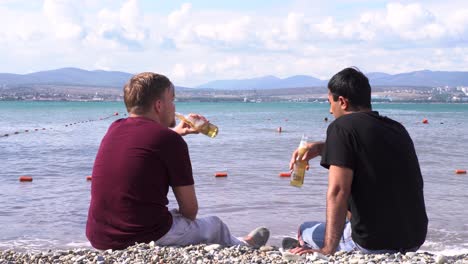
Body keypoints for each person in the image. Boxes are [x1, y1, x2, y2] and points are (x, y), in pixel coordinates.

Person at [86, 72, 269, 250]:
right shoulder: (170, 141)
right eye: (172, 101)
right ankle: (244, 246)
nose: (174, 107)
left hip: (100, 237)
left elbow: (145, 142)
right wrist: (173, 138)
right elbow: (190, 211)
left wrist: (175, 133)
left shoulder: (115, 128)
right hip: (144, 236)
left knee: (161, 214)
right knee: (215, 225)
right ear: (159, 105)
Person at [287, 67, 428, 255]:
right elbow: (367, 152)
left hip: (372, 243)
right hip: (413, 240)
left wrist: (327, 249)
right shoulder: (397, 129)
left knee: (305, 229)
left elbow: (338, 191)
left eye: (330, 103)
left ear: (343, 102)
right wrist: (321, 148)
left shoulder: (341, 127)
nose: (330, 110)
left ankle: (331, 245)